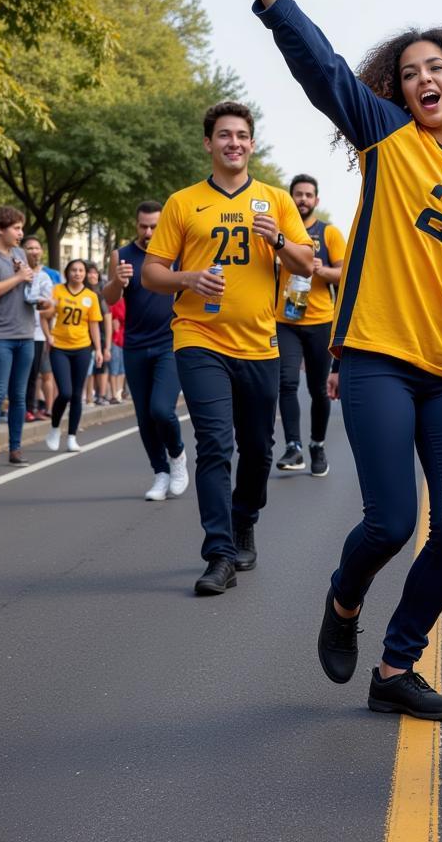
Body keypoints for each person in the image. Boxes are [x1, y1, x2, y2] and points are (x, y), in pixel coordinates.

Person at [214, 0, 442, 720]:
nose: (424, 79)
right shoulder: (387, 139)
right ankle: (344, 601)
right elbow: (320, 66)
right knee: (390, 520)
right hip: (379, 358)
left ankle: (395, 669)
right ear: (397, 89)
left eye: (437, 69)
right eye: (411, 71)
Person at [142, 102, 314, 594]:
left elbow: (305, 264)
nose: (233, 143)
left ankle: (245, 519)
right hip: (198, 338)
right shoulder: (183, 202)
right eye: (223, 135)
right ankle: (219, 553)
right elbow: (154, 274)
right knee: (214, 443)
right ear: (208, 143)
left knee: (258, 449)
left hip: (260, 343)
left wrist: (278, 239)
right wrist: (187, 277)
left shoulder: (276, 200)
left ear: (252, 144)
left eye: (241, 135)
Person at [103, 201, 189, 503]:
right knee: (143, 416)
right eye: (143, 226)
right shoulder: (122, 255)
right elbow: (109, 299)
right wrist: (117, 280)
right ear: (136, 224)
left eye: (154, 225)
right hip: (135, 344)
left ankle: (177, 456)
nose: (149, 232)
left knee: (161, 409)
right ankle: (160, 472)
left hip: (170, 340)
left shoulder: (177, 251)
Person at [274, 173, 346, 477]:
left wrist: (322, 269)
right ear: (290, 199)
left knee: (318, 389)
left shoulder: (329, 234)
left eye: (307, 195)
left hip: (319, 321)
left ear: (316, 200)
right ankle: (294, 447)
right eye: (297, 194)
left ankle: (317, 445)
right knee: (287, 382)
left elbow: (344, 275)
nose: (302, 200)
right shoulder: (279, 233)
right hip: (285, 320)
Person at [0, 207, 40, 467]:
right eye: (17, 228)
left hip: (26, 333)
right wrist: (19, 276)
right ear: (0, 229)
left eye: (21, 228)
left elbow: (26, 284)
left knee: (19, 395)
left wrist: (30, 280)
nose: (21, 234)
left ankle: (15, 449)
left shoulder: (19, 253)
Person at [46, 259, 103, 453]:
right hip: (59, 347)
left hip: (83, 347)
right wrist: (48, 336)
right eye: (73, 270)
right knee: (65, 392)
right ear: (67, 272)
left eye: (81, 270)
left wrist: (99, 350)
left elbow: (94, 324)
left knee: (77, 395)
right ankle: (54, 428)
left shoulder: (91, 296)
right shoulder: (57, 290)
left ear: (85, 274)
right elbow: (45, 315)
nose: (77, 273)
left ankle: (71, 437)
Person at [22, 236, 56, 423]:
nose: (34, 251)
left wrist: (46, 305)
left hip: (36, 334)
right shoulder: (15, 272)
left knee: (33, 375)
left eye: (36, 248)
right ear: (22, 251)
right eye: (29, 248)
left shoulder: (44, 277)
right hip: (14, 330)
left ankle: (29, 408)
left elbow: (49, 306)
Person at [83, 263, 112, 406]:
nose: (92, 275)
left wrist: (107, 346)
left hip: (100, 335)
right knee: (88, 368)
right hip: (83, 336)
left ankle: (101, 395)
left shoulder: (102, 294)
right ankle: (88, 396)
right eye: (89, 272)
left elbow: (108, 319)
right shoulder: (81, 292)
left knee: (101, 366)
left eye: (95, 273)